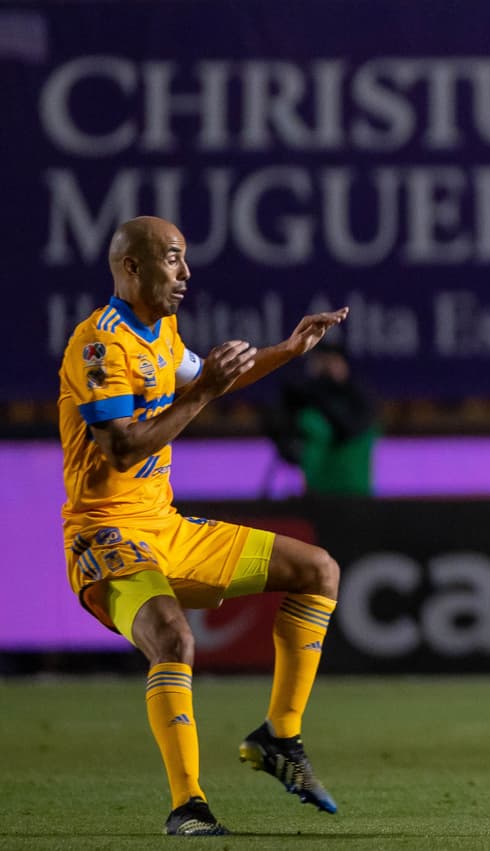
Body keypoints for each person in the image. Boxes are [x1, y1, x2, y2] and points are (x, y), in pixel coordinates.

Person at [57, 215, 349, 835]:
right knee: (173, 637)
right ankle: (188, 806)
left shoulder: (161, 330)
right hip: (105, 538)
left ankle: (280, 738)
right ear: (130, 267)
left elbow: (213, 376)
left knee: (318, 570)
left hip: (164, 527)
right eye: (172, 259)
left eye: (184, 259)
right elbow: (121, 448)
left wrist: (289, 351)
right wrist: (203, 396)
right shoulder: (99, 346)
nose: (186, 273)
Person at [263, 339, 379, 497]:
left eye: (331, 360)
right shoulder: (304, 402)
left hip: (355, 493)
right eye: (320, 361)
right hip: (317, 493)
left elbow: (349, 428)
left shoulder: (359, 400)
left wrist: (320, 395)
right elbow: (282, 435)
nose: (326, 367)